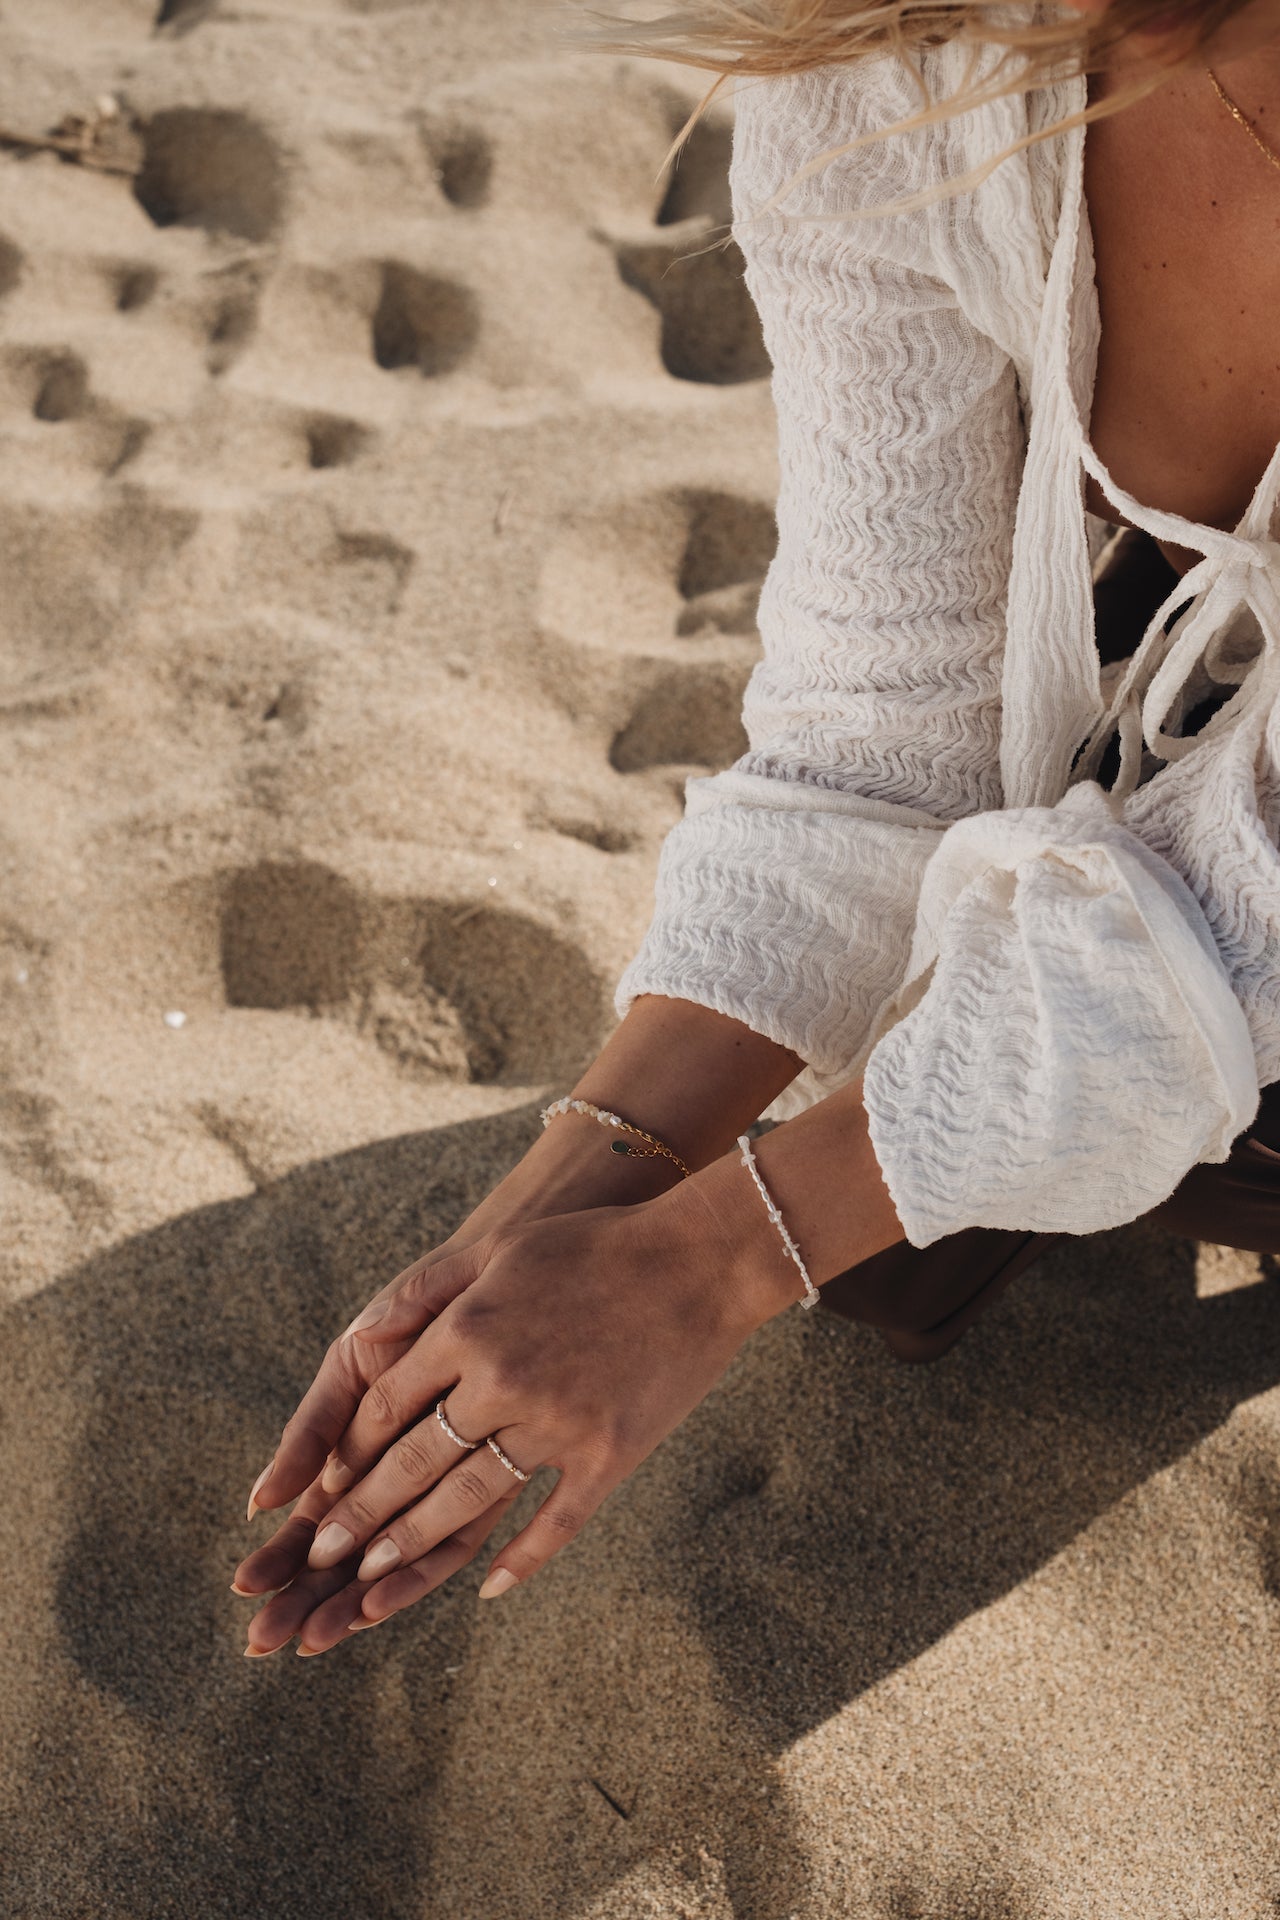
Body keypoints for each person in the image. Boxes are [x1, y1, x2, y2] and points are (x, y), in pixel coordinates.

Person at [232, 0, 1280, 1656]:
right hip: (1214, 674)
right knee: (887, 1204)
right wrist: (570, 1197)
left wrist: (712, 1261)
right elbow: (880, 724)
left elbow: (1252, 911)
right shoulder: (915, 48)